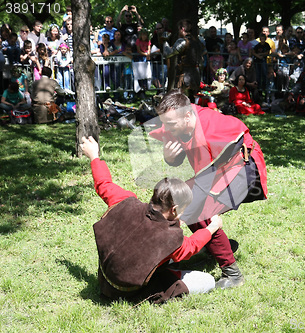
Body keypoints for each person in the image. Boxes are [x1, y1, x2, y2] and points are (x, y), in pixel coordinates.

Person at [148, 89, 268, 288]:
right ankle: (216, 246)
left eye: (170, 124)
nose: (166, 128)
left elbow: (235, 141)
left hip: (241, 166)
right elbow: (178, 157)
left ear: (188, 115)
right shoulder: (176, 122)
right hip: (214, 169)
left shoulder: (212, 126)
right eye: (164, 123)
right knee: (183, 203)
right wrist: (169, 156)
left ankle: (232, 274)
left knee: (199, 209)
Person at [80, 136, 222, 303]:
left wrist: (94, 156)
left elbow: (103, 184)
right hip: (129, 291)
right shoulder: (170, 238)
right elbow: (191, 246)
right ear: (174, 209)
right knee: (208, 281)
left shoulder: (124, 200)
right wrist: (212, 227)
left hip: (105, 281)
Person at [163, 19, 205, 99]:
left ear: (182, 29)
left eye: (179, 29)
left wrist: (165, 41)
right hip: (196, 74)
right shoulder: (197, 41)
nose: (178, 32)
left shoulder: (183, 41)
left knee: (183, 100)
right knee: (192, 98)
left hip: (185, 75)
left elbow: (168, 54)